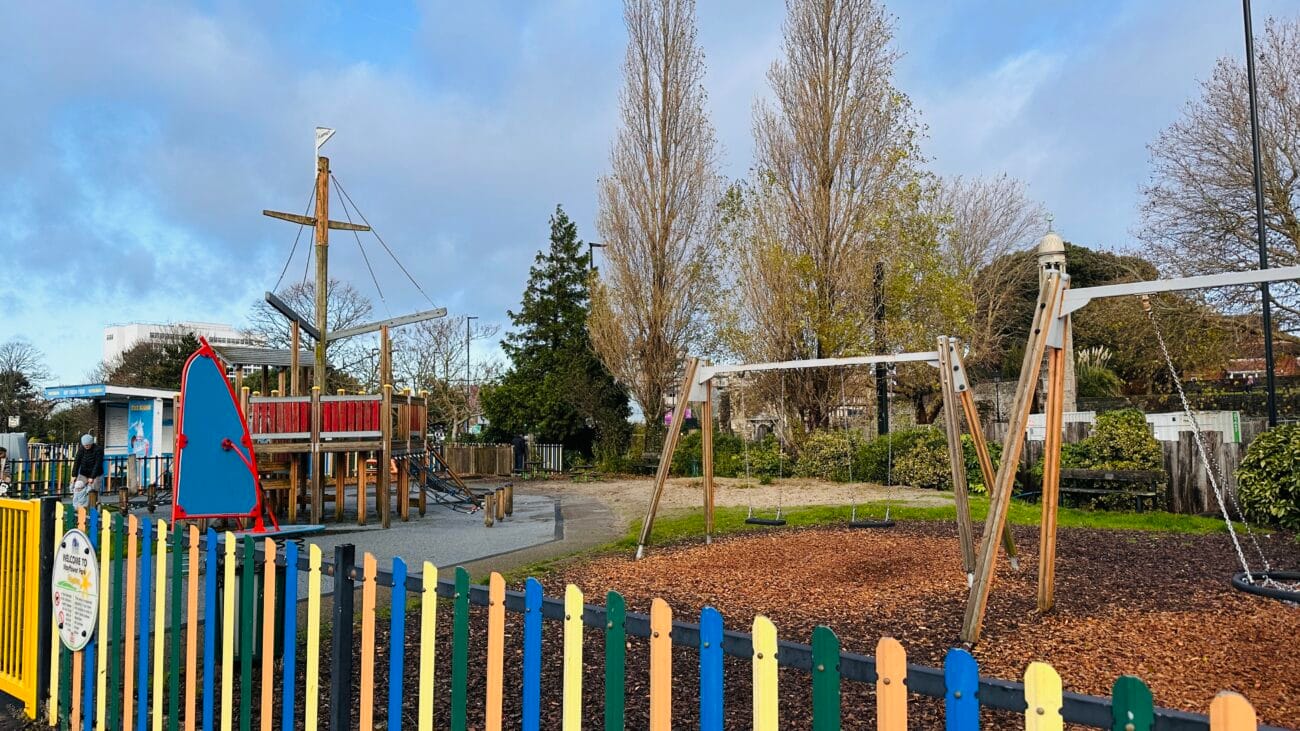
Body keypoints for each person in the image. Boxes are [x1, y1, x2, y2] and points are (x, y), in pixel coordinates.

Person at [71, 433, 105, 509]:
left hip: (97, 474)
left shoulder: (98, 450)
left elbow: (97, 464)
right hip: (84, 473)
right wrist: (74, 475)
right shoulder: (81, 449)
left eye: (88, 445)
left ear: (91, 443)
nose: (86, 446)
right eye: (85, 445)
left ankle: (95, 505)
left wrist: (92, 477)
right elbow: (77, 461)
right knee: (78, 486)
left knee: (93, 489)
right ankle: (78, 506)